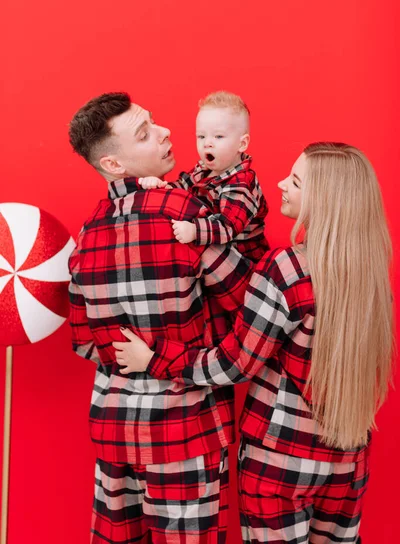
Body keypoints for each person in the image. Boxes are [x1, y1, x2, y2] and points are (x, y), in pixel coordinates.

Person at [114, 143, 394, 544]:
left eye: (295, 181)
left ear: (325, 201)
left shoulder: (288, 269)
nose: (280, 183)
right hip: (349, 462)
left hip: (280, 460)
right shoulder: (372, 276)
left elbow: (234, 365)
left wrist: (156, 357)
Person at [67, 92, 253, 544]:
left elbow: (84, 342)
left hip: (114, 432)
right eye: (145, 134)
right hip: (185, 433)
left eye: (154, 122)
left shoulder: (86, 237)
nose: (167, 132)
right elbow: (250, 303)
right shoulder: (184, 215)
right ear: (113, 164)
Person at [139, 91, 269, 262]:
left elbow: (227, 227)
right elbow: (181, 188)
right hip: (214, 252)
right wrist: (161, 186)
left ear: (242, 143)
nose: (207, 143)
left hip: (242, 261)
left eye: (219, 136)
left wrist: (194, 231)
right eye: (201, 136)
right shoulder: (203, 169)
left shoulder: (242, 184)